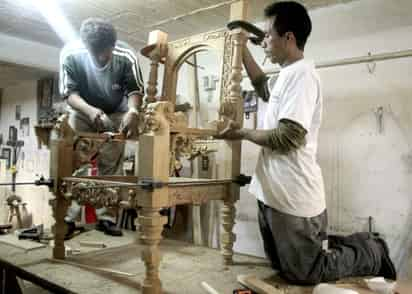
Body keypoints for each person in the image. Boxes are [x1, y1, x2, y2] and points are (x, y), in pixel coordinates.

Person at [218, 1, 396, 284]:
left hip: (293, 197)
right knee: (286, 269)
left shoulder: (303, 76)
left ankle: (372, 250)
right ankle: (326, 244)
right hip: (273, 196)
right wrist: (241, 51)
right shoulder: (287, 74)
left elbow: (288, 138)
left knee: (308, 272)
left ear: (288, 37)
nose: (263, 42)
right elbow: (263, 87)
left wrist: (240, 133)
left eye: (267, 35)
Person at [59, 18, 145, 237]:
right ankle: (67, 218)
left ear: (113, 45)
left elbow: (135, 90)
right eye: (96, 53)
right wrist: (90, 111)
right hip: (82, 109)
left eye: (106, 52)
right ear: (86, 46)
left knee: (111, 164)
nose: (102, 58)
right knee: (76, 160)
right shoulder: (70, 54)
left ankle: (106, 218)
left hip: (117, 111)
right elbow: (70, 94)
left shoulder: (126, 56)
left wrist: (133, 111)